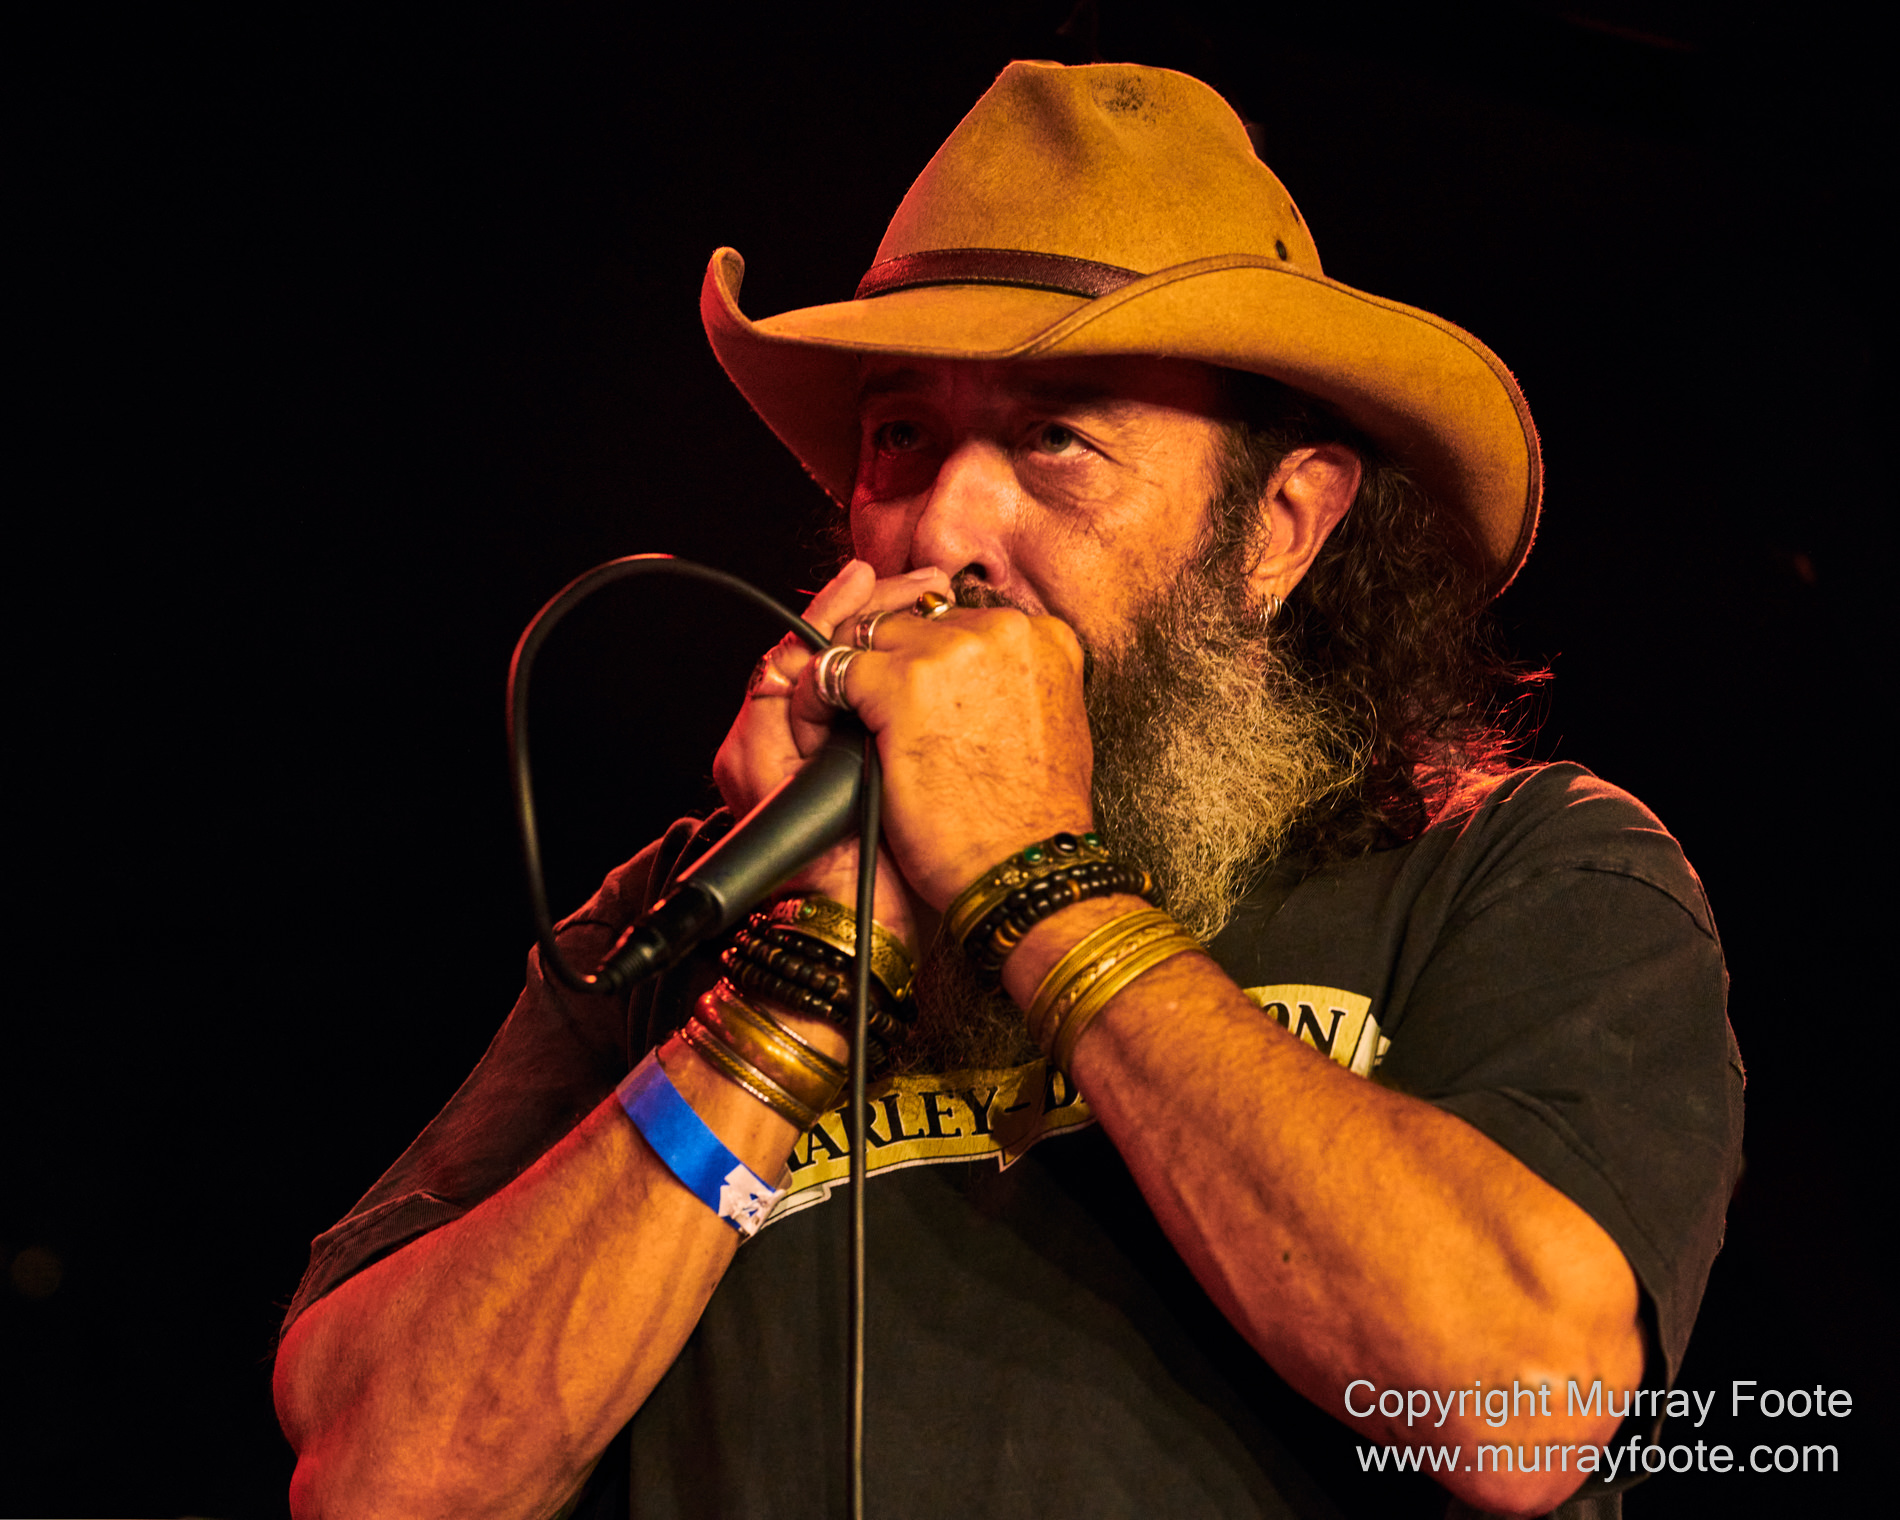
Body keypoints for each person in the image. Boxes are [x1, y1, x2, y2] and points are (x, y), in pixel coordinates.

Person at [272, 61, 1741, 1520]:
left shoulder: (1515, 868)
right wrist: (798, 971)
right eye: (902, 436)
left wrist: (1035, 876)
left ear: (1280, 527)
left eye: (1056, 439)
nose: (943, 529)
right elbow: (382, 1485)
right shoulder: (690, 911)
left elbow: (1524, 1404)